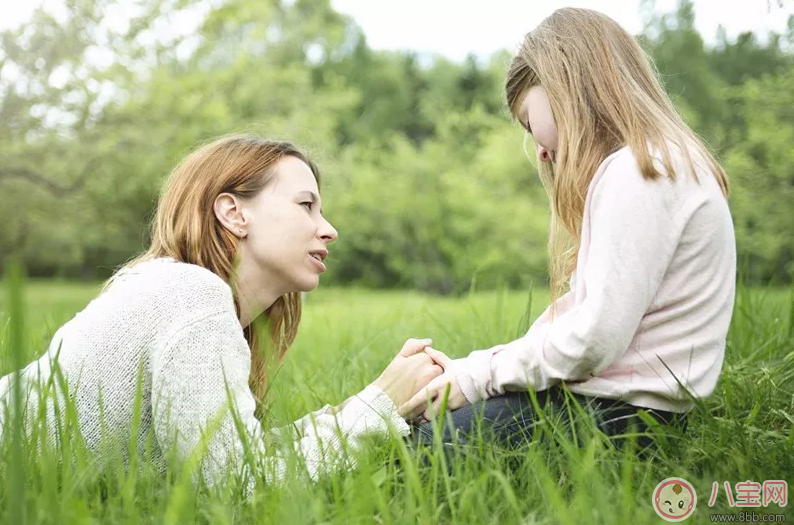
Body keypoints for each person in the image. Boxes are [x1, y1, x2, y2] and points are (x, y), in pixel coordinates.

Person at [0, 135, 443, 488]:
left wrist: (370, 404)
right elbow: (239, 484)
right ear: (233, 213)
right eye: (306, 205)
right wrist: (379, 405)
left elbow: (240, 455)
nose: (329, 230)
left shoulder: (184, 292)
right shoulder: (191, 295)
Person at [404, 8, 736, 451]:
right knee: (430, 425)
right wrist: (476, 369)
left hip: (616, 416)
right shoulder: (659, 164)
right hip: (632, 411)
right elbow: (585, 319)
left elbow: (593, 339)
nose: (540, 152)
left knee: (419, 445)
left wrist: (478, 378)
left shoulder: (638, 172)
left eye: (529, 122)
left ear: (565, 83)